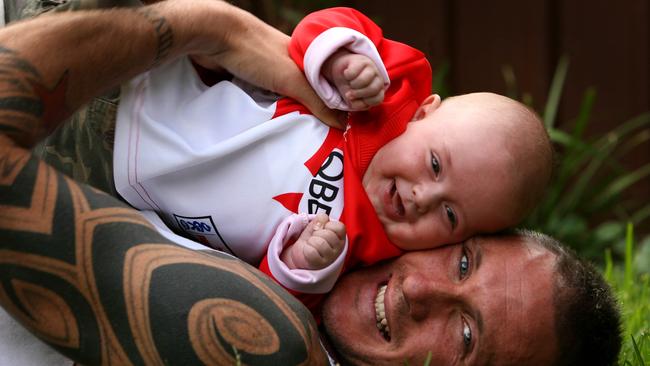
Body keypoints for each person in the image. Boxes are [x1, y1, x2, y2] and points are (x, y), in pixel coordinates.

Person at [0, 1, 621, 365]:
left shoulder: (277, 339)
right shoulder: (383, 127)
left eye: (464, 338)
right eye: (462, 262)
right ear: (429, 111)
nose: (418, 288)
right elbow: (339, 38)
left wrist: (209, 28)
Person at [113, 7, 553, 311]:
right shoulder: (385, 94)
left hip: (141, 211)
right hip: (152, 99)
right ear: (423, 113)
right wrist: (342, 58)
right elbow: (321, 28)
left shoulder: (371, 253)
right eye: (436, 165)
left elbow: (283, 302)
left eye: (451, 213)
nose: (423, 196)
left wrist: (303, 266)